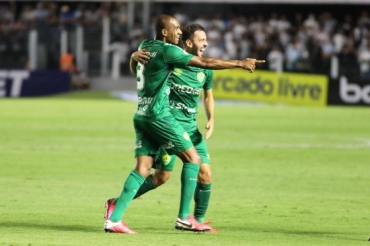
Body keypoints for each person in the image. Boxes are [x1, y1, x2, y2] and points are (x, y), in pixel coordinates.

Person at [103, 14, 264, 234]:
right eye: (176, 29)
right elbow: (206, 61)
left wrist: (133, 56)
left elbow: (140, 69)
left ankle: (116, 216)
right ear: (165, 33)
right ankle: (183, 218)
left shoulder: (146, 45)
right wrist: (240, 63)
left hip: (147, 115)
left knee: (149, 169)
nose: (179, 32)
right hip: (163, 120)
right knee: (179, 167)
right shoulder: (171, 54)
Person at [106, 23, 219, 232]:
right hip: (169, 126)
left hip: (192, 130)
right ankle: (117, 204)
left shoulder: (205, 70)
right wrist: (134, 57)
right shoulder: (172, 61)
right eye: (201, 39)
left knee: (206, 174)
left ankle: (197, 218)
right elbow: (146, 69)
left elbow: (208, 96)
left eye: (205, 39)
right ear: (188, 42)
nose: (206, 43)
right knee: (161, 176)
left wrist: (211, 117)